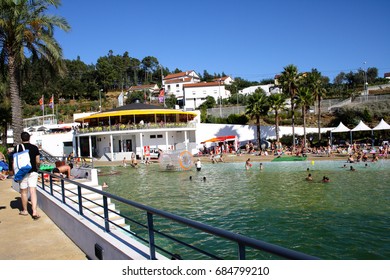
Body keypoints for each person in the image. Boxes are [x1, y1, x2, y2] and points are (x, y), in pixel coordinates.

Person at [15, 132, 41, 220]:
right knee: (33, 191)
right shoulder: (34, 147)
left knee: (24, 192)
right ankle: (34, 211)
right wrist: (38, 166)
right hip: (33, 171)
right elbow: (37, 161)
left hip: (22, 172)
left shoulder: (17, 148)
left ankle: (25, 210)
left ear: (21, 138)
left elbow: (14, 161)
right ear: (29, 138)